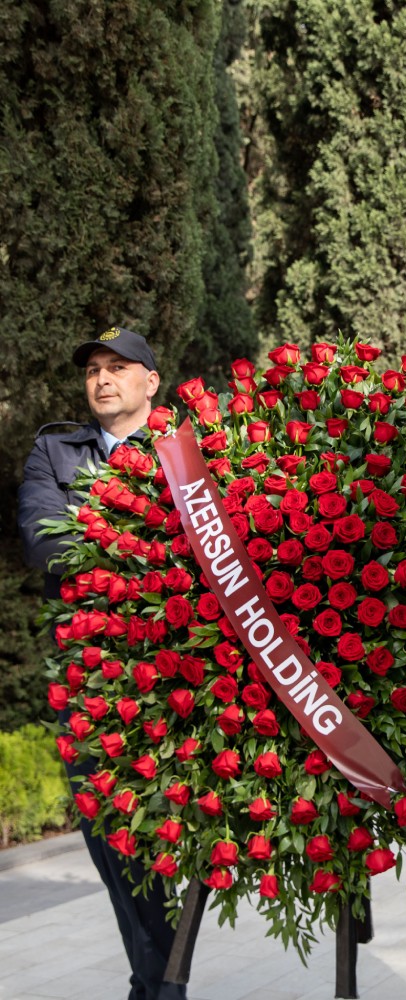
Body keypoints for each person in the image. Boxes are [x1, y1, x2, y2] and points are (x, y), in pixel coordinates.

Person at [17, 326, 185, 1000]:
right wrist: (148, 544)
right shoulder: (54, 451)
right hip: (93, 681)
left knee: (170, 845)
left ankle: (157, 988)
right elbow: (43, 543)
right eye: (93, 370)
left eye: (119, 366)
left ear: (152, 381)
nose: (103, 379)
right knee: (115, 843)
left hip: (183, 676)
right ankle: (157, 984)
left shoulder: (190, 450)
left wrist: (95, 532)